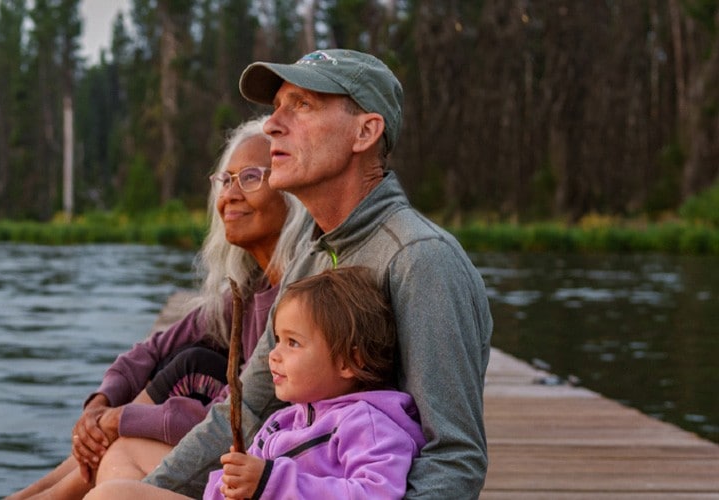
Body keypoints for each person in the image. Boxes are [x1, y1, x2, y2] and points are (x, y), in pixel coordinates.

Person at [138, 49, 493, 499]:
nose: (271, 126)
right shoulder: (311, 252)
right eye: (277, 107)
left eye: (302, 105)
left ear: (365, 132)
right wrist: (154, 489)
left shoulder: (421, 261)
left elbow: (455, 458)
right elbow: (249, 403)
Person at [6, 116, 307, 499]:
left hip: (262, 469)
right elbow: (152, 350)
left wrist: (119, 418)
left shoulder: (300, 301)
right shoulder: (249, 292)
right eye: (225, 180)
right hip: (227, 452)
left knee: (120, 454)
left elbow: (241, 417)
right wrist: (100, 404)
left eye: (249, 177)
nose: (230, 194)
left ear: (291, 190)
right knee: (188, 360)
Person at [87, 266, 426, 500]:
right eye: (276, 340)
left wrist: (268, 481)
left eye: (293, 343)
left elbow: (375, 494)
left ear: (350, 361)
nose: (273, 356)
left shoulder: (368, 425)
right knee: (113, 493)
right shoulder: (284, 421)